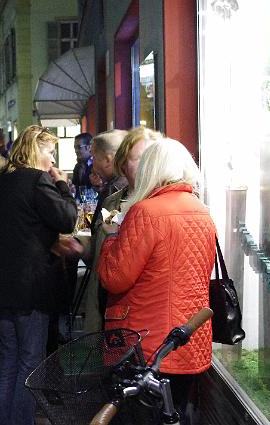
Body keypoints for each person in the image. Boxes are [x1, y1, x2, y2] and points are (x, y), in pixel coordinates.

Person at [97, 138, 216, 424]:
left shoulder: (146, 212)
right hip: (189, 338)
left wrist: (111, 236)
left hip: (147, 343)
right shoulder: (201, 211)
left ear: (150, 169)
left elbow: (114, 278)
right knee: (176, 412)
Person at [0, 125, 77, 425]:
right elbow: (67, 218)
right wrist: (62, 185)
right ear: (36, 150)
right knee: (30, 361)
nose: (53, 159)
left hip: (1, 284)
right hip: (32, 286)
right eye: (50, 151)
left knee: (7, 358)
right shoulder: (37, 180)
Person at [56, 127, 163, 332]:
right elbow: (101, 245)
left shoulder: (163, 204)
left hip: (143, 316)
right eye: (137, 159)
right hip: (111, 309)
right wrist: (82, 246)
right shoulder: (112, 200)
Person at [89, 129, 129, 225]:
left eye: (93, 158)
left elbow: (103, 230)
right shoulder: (134, 182)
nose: (92, 164)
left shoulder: (113, 190)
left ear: (107, 160)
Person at [71, 132, 93, 200]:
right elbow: (75, 187)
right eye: (75, 148)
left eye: (79, 147)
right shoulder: (78, 166)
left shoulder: (97, 164)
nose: (76, 151)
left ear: (89, 147)